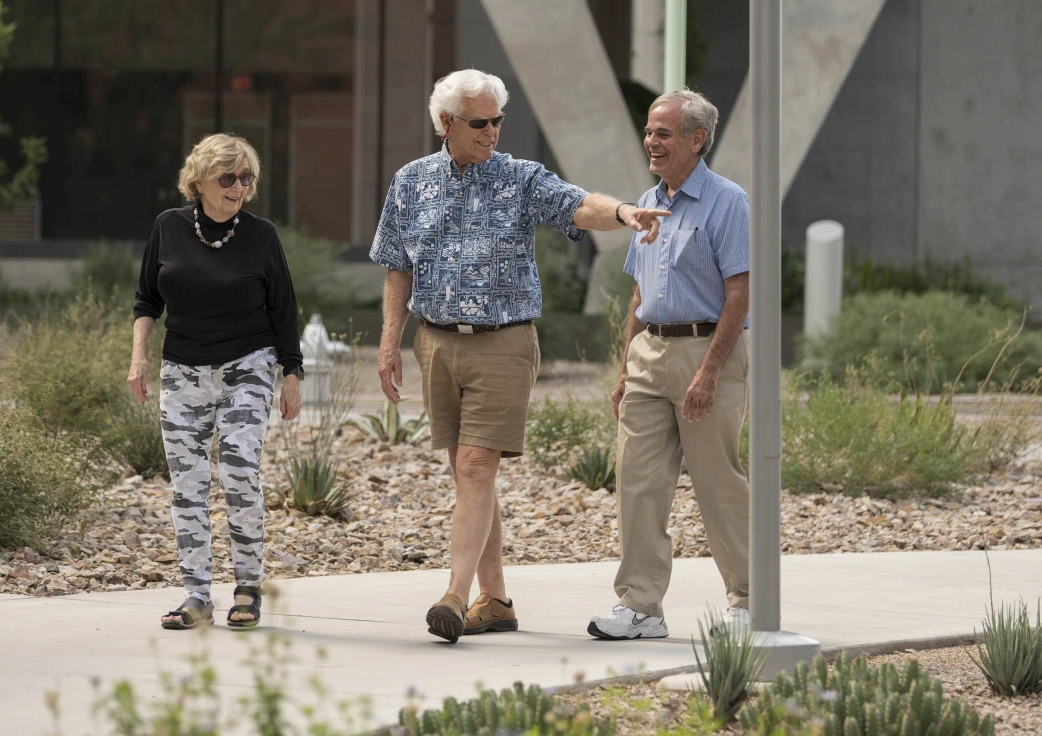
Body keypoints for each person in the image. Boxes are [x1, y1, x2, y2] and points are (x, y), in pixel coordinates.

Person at [370, 69, 670, 643]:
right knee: (467, 473)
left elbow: (576, 205)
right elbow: (396, 266)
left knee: (479, 467)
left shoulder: (519, 178)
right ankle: (498, 600)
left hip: (503, 343)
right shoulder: (410, 182)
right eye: (480, 122)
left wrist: (625, 213)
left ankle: (454, 598)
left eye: (498, 120)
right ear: (447, 124)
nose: (492, 131)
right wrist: (389, 344)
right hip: (434, 340)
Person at [587, 89, 751, 640]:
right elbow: (641, 291)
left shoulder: (729, 202)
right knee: (636, 484)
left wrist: (708, 371)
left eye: (663, 132)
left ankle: (749, 602)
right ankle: (640, 607)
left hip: (707, 355)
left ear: (696, 140)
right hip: (648, 355)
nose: (650, 141)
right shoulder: (646, 200)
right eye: (650, 131)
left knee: (716, 483)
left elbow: (740, 293)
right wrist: (623, 368)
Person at [129, 133, 304, 630]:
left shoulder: (262, 235)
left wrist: (291, 374)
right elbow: (147, 301)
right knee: (187, 487)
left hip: (247, 367)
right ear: (200, 181)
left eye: (246, 177)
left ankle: (247, 585)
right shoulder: (168, 228)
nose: (239, 187)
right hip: (182, 371)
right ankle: (196, 596)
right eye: (228, 177)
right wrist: (139, 357)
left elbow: (284, 309)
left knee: (238, 471)